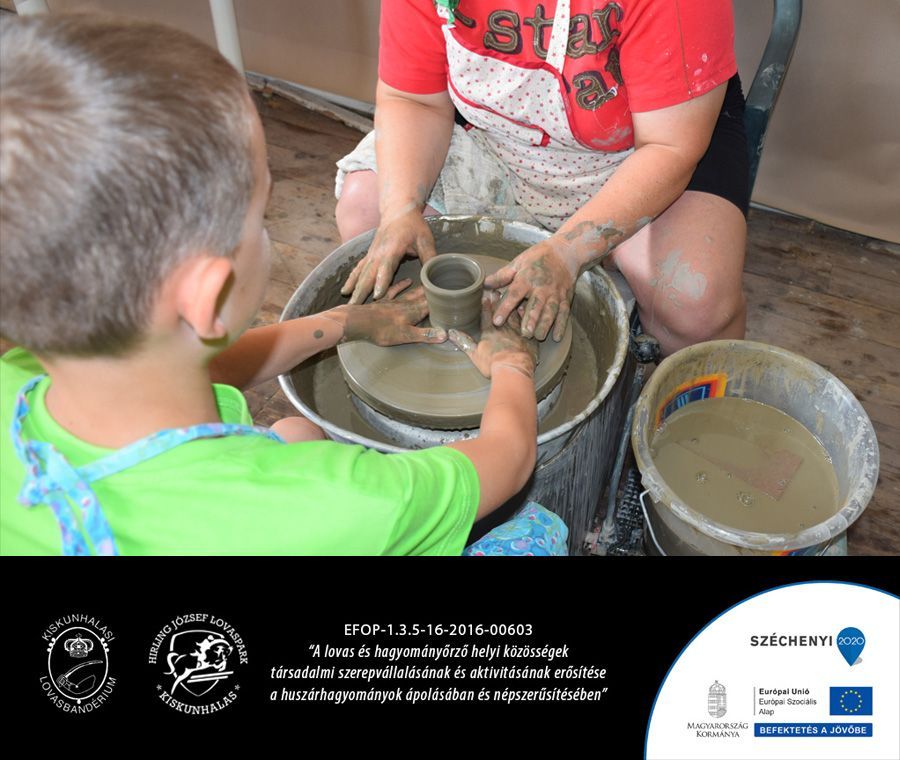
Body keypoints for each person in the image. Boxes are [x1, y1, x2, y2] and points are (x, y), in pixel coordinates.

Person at [0, 14, 545, 556]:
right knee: (534, 537)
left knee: (296, 432)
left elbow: (189, 366)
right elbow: (507, 459)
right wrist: (511, 368)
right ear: (209, 295)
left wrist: (342, 322)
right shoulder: (344, 502)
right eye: (262, 216)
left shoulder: (18, 379)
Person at [335, 0, 749, 357]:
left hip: (640, 152)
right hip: (496, 139)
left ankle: (680, 408)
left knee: (695, 304)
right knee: (367, 213)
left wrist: (570, 250)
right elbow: (414, 101)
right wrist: (401, 208)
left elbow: (669, 147)